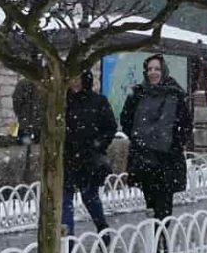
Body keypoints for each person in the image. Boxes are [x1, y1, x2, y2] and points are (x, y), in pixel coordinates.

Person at [119, 55, 194, 220]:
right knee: (150, 204)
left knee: (165, 205)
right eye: (150, 69)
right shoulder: (138, 93)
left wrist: (175, 142)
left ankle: (162, 239)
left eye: (157, 69)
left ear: (164, 70)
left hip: (167, 159)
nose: (153, 72)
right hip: (145, 158)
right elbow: (126, 119)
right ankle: (155, 239)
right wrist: (139, 138)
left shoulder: (174, 94)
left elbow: (186, 124)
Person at [62, 74, 119, 234]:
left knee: (90, 198)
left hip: (89, 159)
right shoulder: (64, 101)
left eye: (77, 77)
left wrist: (97, 144)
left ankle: (102, 229)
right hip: (67, 158)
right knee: (65, 201)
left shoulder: (98, 101)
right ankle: (68, 242)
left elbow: (110, 127)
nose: (74, 81)